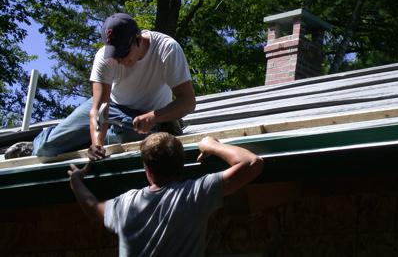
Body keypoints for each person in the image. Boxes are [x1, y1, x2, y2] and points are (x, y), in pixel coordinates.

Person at [5, 13, 196, 160]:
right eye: (115, 54)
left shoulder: (167, 49)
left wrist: (155, 117)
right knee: (46, 149)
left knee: (133, 138)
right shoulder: (104, 58)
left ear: (138, 38)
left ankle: (155, 127)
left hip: (150, 113)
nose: (120, 60)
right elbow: (99, 109)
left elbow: (188, 101)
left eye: (124, 53)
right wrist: (97, 143)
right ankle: (41, 142)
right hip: (112, 107)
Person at [68, 132, 264, 257]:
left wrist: (75, 181)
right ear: (181, 166)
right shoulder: (193, 195)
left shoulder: (125, 205)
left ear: (147, 170)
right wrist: (211, 145)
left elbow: (92, 208)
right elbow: (252, 163)